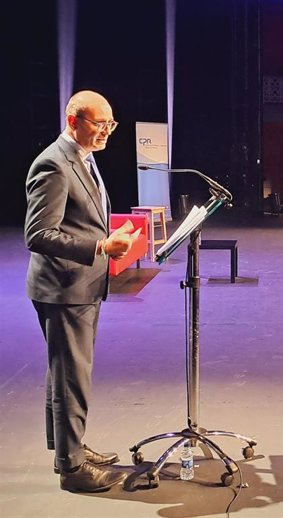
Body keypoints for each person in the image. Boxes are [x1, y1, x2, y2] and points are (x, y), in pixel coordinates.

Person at [25, 90, 133, 492]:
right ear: (73, 121)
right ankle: (73, 469)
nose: (106, 131)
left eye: (111, 124)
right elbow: (38, 235)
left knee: (65, 374)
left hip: (78, 286)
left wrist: (107, 235)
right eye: (98, 123)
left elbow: (80, 221)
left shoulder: (83, 159)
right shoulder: (54, 164)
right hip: (63, 289)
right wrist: (100, 247)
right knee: (72, 377)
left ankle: (69, 450)